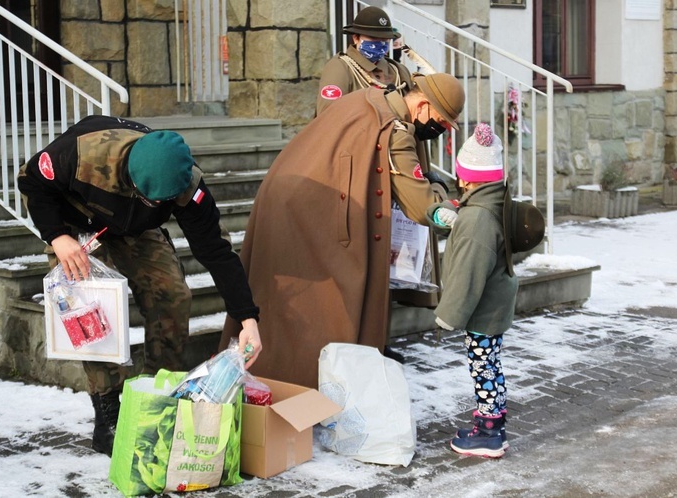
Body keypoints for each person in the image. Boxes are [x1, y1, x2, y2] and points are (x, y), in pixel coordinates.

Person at [17, 115, 262, 456]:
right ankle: (109, 413)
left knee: (173, 295)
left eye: (165, 202)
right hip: (76, 224)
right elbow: (31, 181)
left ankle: (159, 398)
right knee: (90, 313)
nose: (160, 206)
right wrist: (57, 237)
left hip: (134, 227)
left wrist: (248, 318)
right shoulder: (80, 154)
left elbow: (216, 252)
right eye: (153, 200)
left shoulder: (185, 183)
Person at [220, 72, 465, 388]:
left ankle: (255, 386)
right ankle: (303, 397)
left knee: (279, 306)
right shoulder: (395, 130)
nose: (441, 130)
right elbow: (422, 207)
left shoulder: (366, 97)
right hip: (314, 218)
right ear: (421, 105)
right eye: (442, 122)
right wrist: (443, 196)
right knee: (325, 315)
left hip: (285, 199)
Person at [425, 122, 518, 459]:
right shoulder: (490, 205)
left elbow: (466, 275)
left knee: (483, 367)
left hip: (484, 309)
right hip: (494, 304)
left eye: (462, 176)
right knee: (490, 364)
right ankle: (490, 421)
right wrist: (453, 216)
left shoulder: (476, 221)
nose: (459, 181)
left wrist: (447, 316)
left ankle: (490, 434)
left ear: (469, 178)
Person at [316, 6, 413, 115]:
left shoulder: (399, 71)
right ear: (356, 38)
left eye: (385, 39)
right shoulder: (339, 68)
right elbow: (329, 116)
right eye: (373, 38)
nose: (380, 43)